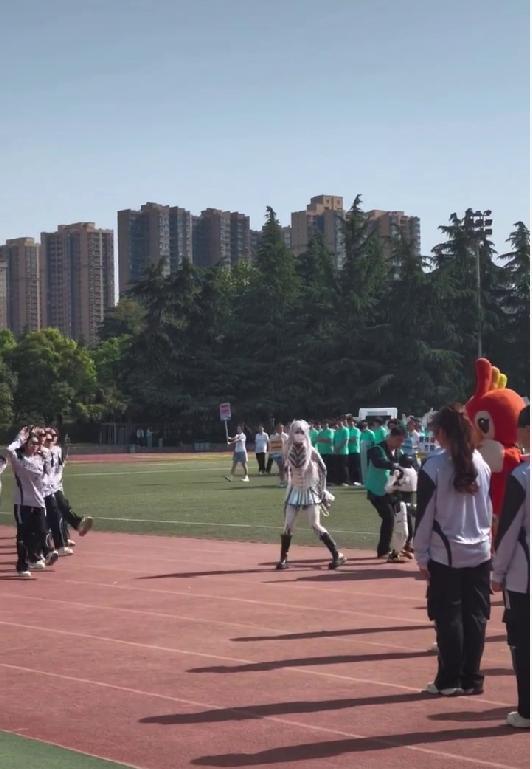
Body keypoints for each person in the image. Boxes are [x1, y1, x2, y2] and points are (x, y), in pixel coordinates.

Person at [414, 404, 492, 696]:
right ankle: (472, 678)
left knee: (448, 617)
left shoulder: (434, 466)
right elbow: (487, 509)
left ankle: (449, 680)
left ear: (442, 433)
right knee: (476, 617)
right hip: (480, 551)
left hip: (445, 554)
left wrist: (421, 555)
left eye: (435, 431)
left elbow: (424, 516)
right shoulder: (481, 463)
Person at [492, 405, 529, 728]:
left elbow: (509, 530)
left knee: (523, 642)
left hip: (524, 576)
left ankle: (528, 710)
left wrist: (497, 572)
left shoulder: (522, 476)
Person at [275, 420, 346, 570]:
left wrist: (322, 490)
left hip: (309, 491)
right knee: (288, 525)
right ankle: (283, 559)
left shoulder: (311, 451)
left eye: (301, 432)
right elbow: (286, 467)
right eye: (296, 432)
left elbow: (323, 469)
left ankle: (337, 554)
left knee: (315, 524)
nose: (298, 435)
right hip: (294, 490)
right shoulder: (288, 449)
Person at [7, 426, 59, 578]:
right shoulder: (19, 458)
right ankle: (22, 566)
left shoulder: (41, 458)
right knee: (23, 535)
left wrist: (41, 446)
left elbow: (48, 467)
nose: (35, 446)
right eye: (32, 443)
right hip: (22, 503)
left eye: (37, 443)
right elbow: (10, 449)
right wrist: (20, 436)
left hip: (38, 502)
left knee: (42, 530)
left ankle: (47, 553)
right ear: (26, 444)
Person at [366, 425, 406, 559]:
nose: (400, 444)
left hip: (392, 490)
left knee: (402, 516)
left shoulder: (398, 452)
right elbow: (379, 462)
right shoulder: (376, 449)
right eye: (399, 440)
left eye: (402, 441)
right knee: (388, 517)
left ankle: (400, 547)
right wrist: (395, 466)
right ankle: (383, 551)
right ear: (391, 437)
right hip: (376, 490)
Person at [333, 418, 350, 486]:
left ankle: (345, 481)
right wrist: (335, 449)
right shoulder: (336, 431)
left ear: (342, 422)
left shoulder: (345, 430)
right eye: (338, 422)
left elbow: (345, 441)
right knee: (337, 467)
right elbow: (334, 441)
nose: (339, 423)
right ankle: (338, 481)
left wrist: (338, 448)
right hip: (336, 452)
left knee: (344, 467)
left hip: (343, 451)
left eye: (340, 422)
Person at [346, 416, 362, 486]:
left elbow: (354, 439)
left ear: (353, 422)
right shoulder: (347, 430)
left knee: (356, 467)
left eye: (351, 421)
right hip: (348, 450)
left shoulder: (357, 430)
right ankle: (351, 480)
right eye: (348, 421)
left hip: (355, 450)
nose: (350, 423)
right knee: (350, 467)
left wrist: (346, 439)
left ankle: (357, 481)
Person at [359, 420, 375, 486]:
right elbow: (361, 441)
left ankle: (370, 480)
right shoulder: (362, 434)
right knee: (363, 466)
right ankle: (364, 480)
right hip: (363, 451)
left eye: (362, 427)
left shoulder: (370, 433)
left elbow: (373, 442)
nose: (362, 429)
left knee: (369, 466)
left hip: (369, 451)